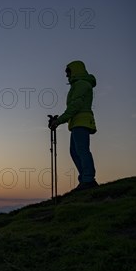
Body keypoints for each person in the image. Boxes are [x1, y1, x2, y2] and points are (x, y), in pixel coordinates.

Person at [49, 60, 98, 191]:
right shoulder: (78, 85)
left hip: (81, 121)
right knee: (75, 151)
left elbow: (75, 106)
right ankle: (85, 179)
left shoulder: (81, 84)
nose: (66, 75)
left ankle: (88, 179)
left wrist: (59, 121)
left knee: (81, 150)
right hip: (77, 122)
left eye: (68, 72)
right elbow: (74, 106)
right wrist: (60, 119)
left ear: (75, 71)